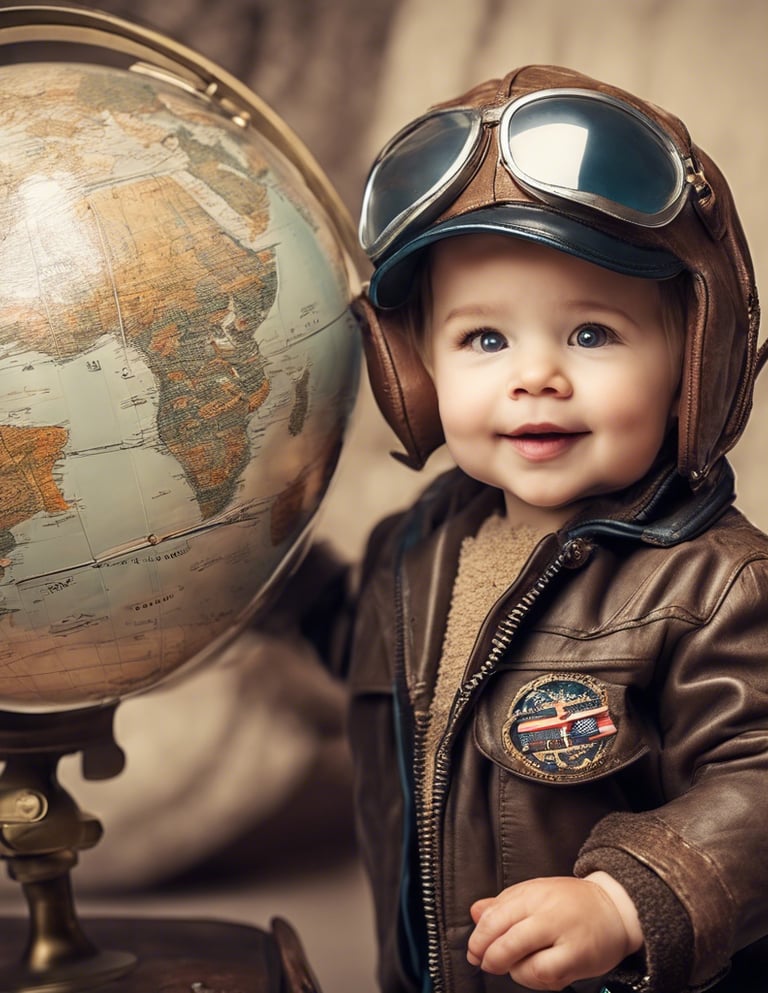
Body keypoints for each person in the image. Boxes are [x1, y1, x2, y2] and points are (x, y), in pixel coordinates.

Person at [292, 64, 768, 993]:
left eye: (592, 333)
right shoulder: (413, 547)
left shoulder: (718, 587)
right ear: (416, 369)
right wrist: (269, 580)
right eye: (484, 339)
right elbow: (380, 655)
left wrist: (628, 900)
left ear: (695, 360)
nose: (536, 375)